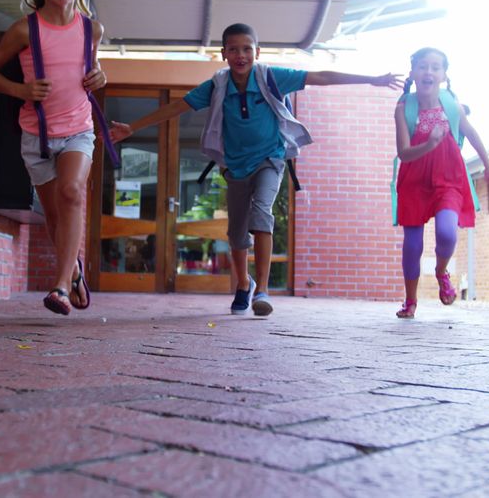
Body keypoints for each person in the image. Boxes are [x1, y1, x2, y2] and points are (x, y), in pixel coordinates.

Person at [110, 23, 403, 317]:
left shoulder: (271, 76)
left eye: (247, 49)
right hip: (235, 166)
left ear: (257, 52)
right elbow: (178, 107)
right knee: (237, 233)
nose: (241, 55)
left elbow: (321, 76)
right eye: (234, 49)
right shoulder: (218, 85)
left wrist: (372, 79)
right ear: (224, 53)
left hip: (270, 159)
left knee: (261, 211)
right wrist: (132, 127)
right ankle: (243, 284)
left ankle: (262, 289)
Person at [0, 0, 111, 315]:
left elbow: (89, 71)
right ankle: (74, 271)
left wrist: (99, 76)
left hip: (78, 129)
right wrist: (20, 89)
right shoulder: (24, 31)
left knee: (71, 193)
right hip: (37, 135)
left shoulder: (92, 30)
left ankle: (60, 286)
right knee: (54, 216)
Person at [393, 47, 489, 318]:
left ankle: (441, 271)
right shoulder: (404, 107)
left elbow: (470, 133)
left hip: (449, 177)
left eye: (435, 67)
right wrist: (430, 143)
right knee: (412, 245)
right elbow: (404, 153)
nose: (429, 71)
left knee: (448, 233)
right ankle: (411, 301)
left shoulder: (451, 104)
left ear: (443, 74)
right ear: (413, 72)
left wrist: (488, 165)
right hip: (414, 179)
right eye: (423, 66)